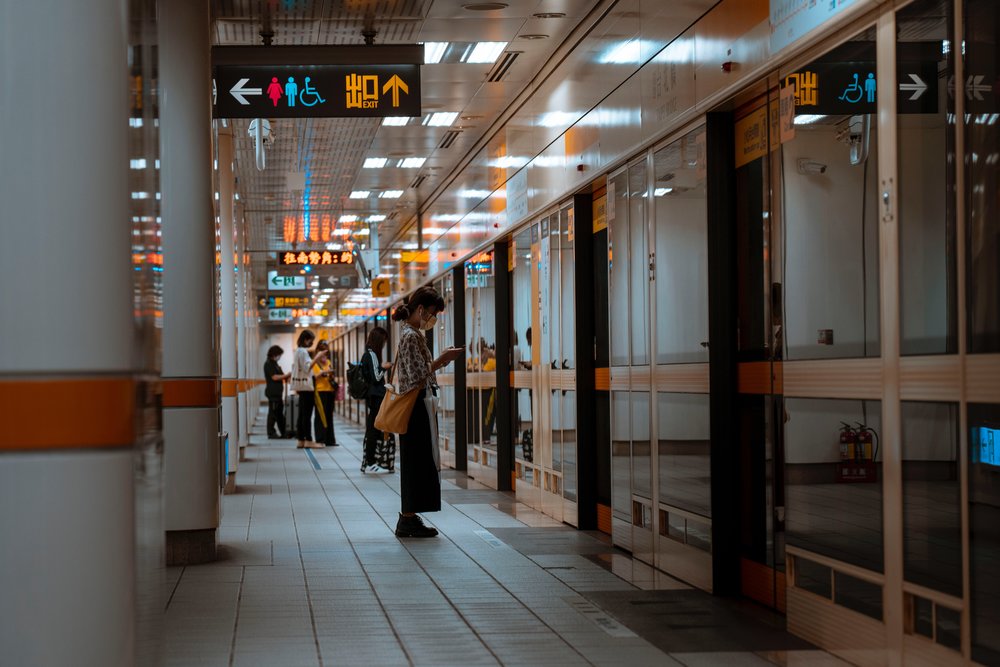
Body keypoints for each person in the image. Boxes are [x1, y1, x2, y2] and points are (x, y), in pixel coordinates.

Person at [391, 286, 463, 538]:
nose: (432, 320)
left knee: (419, 461)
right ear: (421, 309)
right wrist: (442, 359)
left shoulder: (411, 334)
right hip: (415, 407)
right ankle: (407, 519)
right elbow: (417, 376)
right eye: (432, 314)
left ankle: (410, 516)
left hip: (419, 405)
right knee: (416, 461)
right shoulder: (410, 335)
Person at [360, 326, 393, 473]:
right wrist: (385, 367)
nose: (384, 344)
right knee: (374, 428)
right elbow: (377, 377)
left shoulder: (367, 354)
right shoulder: (372, 354)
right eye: (384, 341)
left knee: (373, 428)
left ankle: (370, 462)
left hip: (372, 396)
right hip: (376, 396)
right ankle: (371, 462)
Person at [291, 329, 324, 449]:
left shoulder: (297, 351)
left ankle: (301, 439)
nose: (312, 343)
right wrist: (317, 357)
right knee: (307, 414)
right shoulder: (303, 352)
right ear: (306, 340)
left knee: (302, 414)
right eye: (311, 340)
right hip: (307, 387)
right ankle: (309, 440)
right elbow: (307, 368)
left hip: (301, 387)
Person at [312, 339, 338, 447]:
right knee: (320, 416)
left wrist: (331, 374)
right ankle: (320, 439)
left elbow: (331, 375)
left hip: (329, 391)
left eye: (326, 351)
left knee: (329, 415)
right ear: (318, 351)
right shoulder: (314, 363)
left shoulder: (328, 362)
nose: (324, 354)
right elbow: (314, 376)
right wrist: (324, 372)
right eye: (322, 351)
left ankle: (330, 440)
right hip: (320, 391)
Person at [264, 345, 291, 438]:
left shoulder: (276, 364)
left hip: (278, 393)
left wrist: (287, 376)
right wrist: (286, 375)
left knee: (279, 413)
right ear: (274, 354)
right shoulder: (268, 364)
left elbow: (282, 375)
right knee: (273, 413)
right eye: (279, 355)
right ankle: (271, 433)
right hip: (272, 393)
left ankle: (284, 432)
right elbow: (274, 377)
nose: (280, 357)